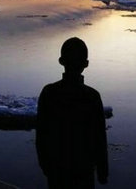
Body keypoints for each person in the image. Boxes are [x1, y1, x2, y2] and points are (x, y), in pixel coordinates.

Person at [36, 37, 109, 189]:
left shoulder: (49, 93)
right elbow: (100, 139)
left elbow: (41, 135)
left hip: (57, 170)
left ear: (61, 61)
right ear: (86, 64)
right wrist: (102, 171)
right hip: (84, 171)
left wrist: (45, 165)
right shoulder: (92, 96)